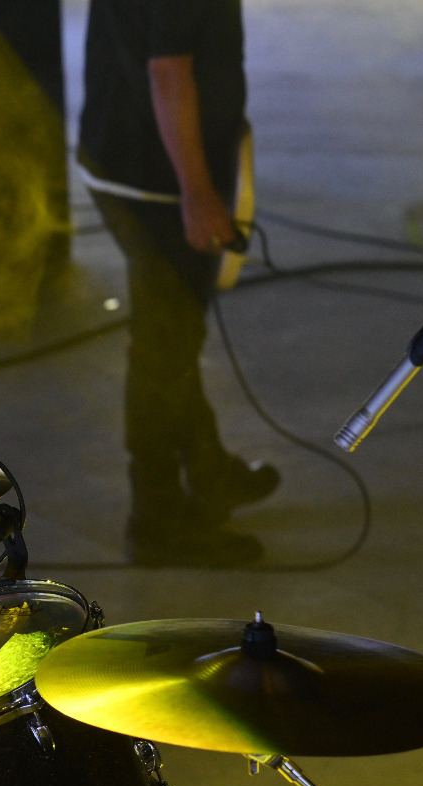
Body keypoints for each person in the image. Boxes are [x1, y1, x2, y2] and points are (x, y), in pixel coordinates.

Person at [78, 0, 279, 566]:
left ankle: (209, 471)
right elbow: (168, 70)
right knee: (164, 350)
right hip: (157, 180)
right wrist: (198, 191)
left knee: (173, 337)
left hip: (122, 156)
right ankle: (157, 518)